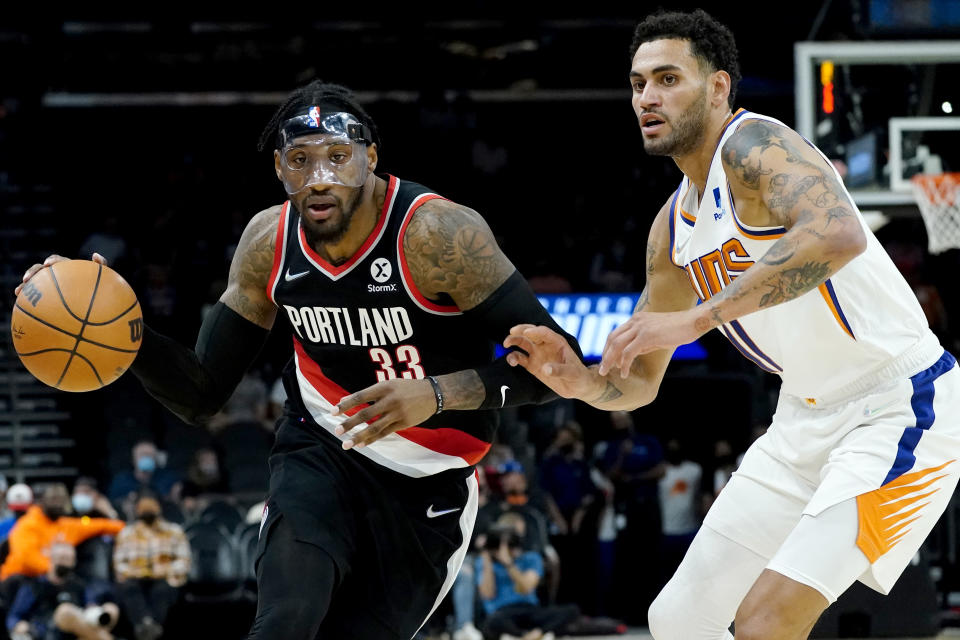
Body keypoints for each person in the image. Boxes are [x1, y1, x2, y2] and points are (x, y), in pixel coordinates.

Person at [16, 80, 578, 639]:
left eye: (338, 157)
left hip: (429, 479)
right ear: (280, 169)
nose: (319, 177)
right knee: (284, 622)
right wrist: (121, 327)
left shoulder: (437, 234)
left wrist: (434, 393)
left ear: (371, 158)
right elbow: (201, 391)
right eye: (300, 160)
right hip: (321, 451)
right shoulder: (269, 242)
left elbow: (558, 367)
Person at [505, 9, 960, 640]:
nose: (648, 97)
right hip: (801, 421)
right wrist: (577, 380)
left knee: (766, 622)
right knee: (678, 620)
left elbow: (837, 232)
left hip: (898, 405)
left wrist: (699, 316)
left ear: (719, 87)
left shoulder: (753, 146)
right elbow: (639, 382)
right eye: (638, 84)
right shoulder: (671, 230)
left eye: (668, 78)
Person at [475, 516, 578, 640]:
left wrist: (509, 563)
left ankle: (531, 634)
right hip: (502, 613)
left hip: (530, 610)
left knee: (572, 610)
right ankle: (527, 635)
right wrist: (486, 556)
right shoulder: (484, 561)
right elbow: (487, 594)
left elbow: (526, 588)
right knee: (492, 622)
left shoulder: (531, 558)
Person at [0, 484, 124, 581]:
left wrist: (121, 523)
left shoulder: (66, 524)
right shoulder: (27, 524)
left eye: (60, 502)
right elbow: (26, 559)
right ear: (43, 502)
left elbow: (101, 525)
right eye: (53, 500)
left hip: (55, 579)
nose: (56, 504)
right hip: (19, 577)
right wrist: (54, 569)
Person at [112, 493, 190, 640]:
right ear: (137, 509)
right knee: (129, 588)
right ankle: (149, 626)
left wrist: (168, 570)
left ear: (159, 507)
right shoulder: (126, 533)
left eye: (150, 505)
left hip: (165, 578)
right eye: (143, 506)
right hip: (134, 578)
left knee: (161, 590)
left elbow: (184, 561)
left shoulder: (174, 531)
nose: (147, 509)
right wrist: (135, 571)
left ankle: (147, 628)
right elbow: (119, 564)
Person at [6, 543, 120, 640]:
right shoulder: (35, 585)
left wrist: (93, 608)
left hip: (77, 633)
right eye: (61, 559)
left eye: (68, 560)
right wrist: (18, 625)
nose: (64, 564)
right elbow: (14, 616)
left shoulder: (79, 585)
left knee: (110, 608)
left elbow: (91, 605)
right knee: (65, 611)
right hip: (46, 632)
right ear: (51, 559)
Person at [107, 441, 180, 513]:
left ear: (156, 459)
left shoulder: (168, 478)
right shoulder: (121, 480)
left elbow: (176, 500)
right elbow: (113, 502)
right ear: (133, 459)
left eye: (149, 455)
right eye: (142, 455)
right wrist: (125, 502)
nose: (146, 458)